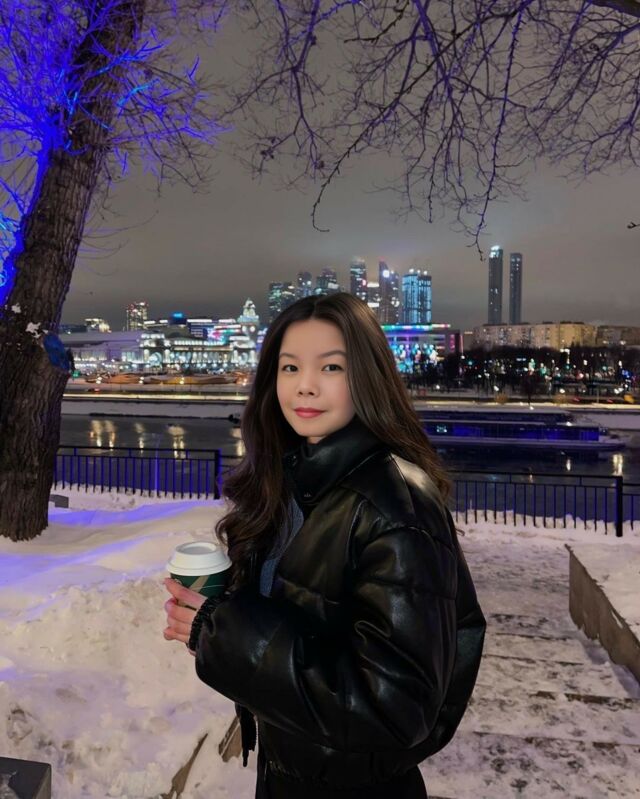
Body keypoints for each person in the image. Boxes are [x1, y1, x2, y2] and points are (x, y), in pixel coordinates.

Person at [163, 293, 486, 798]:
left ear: (368, 377)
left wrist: (225, 634)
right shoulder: (296, 482)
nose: (305, 385)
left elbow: (395, 708)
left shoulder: (397, 507)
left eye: (331, 367)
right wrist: (216, 614)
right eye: (290, 367)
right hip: (290, 775)